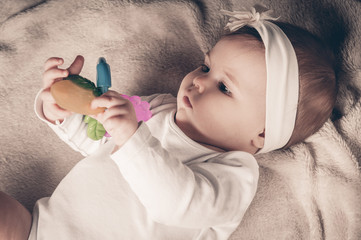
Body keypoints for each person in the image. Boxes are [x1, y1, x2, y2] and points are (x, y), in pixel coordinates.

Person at [0, 6, 336, 240]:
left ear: (261, 134)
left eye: (224, 87)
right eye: (206, 67)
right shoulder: (157, 108)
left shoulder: (235, 173)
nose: (198, 82)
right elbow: (98, 139)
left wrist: (132, 138)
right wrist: (61, 108)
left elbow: (175, 204)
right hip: (40, 227)